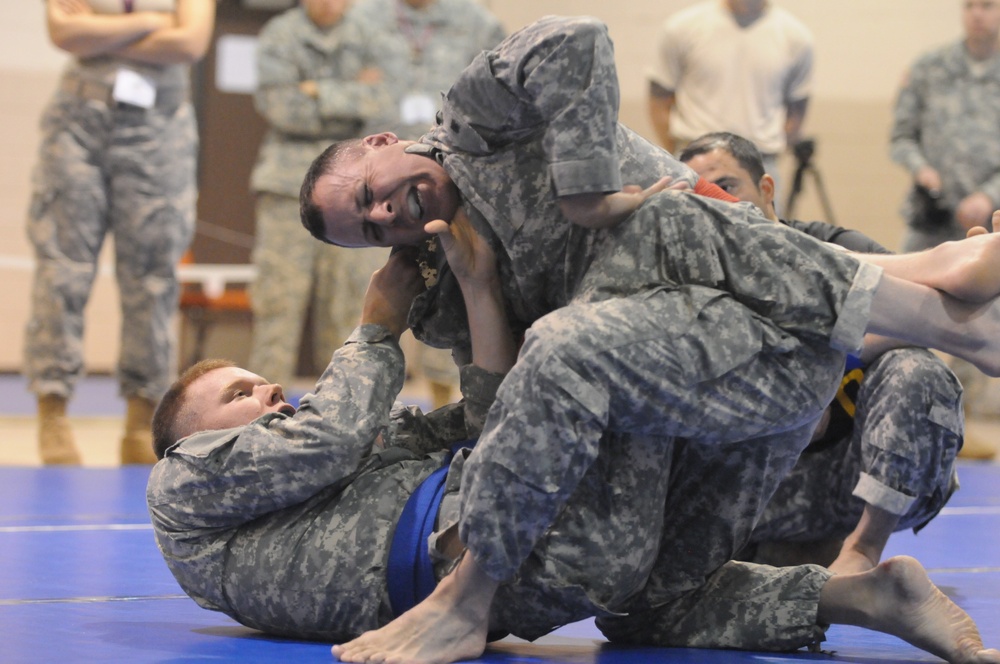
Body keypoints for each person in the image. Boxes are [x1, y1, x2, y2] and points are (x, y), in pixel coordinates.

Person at [149, 214, 1000, 664]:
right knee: (625, 303)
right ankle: (931, 298)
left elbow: (490, 420)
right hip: (535, 550)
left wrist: (482, 294)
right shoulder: (183, 493)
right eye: (235, 394)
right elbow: (329, 437)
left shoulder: (344, 476)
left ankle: (866, 596)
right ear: (188, 441)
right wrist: (375, 333)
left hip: (567, 551)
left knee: (651, 611)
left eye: (257, 381)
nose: (267, 389)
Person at [679, 131, 964, 573]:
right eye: (699, 194)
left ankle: (862, 549)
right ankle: (761, 551)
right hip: (752, 488)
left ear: (767, 190)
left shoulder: (836, 248)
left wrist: (827, 365)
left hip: (850, 475)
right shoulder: (689, 281)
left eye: (726, 186)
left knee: (916, 368)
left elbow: (928, 314)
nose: (714, 202)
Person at [26, 0, 215, 465]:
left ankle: (140, 417)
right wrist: (153, 21)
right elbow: (63, 33)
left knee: (151, 279)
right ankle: (53, 412)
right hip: (78, 123)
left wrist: (102, 28)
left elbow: (189, 41)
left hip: (159, 129)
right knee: (61, 271)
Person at [350, 0, 506, 408]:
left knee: (458, 287)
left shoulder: (477, 22)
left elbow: (500, 94)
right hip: (380, 189)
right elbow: (339, 91)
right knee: (388, 291)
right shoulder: (361, 19)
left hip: (455, 179)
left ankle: (448, 407)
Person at [247, 0, 390, 393]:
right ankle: (260, 416)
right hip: (286, 189)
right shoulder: (280, 34)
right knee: (278, 306)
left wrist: (316, 91)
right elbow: (282, 109)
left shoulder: (373, 33)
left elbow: (381, 102)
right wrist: (349, 95)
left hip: (356, 194)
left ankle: (343, 409)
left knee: (350, 309)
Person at [889, 0, 1000, 436]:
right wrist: (922, 169)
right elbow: (900, 136)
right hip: (930, 219)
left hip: (987, 222)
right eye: (971, 6)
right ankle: (911, 414)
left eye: (988, 6)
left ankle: (968, 428)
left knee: (984, 322)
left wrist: (987, 194)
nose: (979, 15)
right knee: (902, 309)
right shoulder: (931, 67)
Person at [646, 0, 813, 190]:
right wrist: (679, 155)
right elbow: (659, 102)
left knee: (763, 220)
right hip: (694, 164)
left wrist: (762, 160)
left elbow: (796, 113)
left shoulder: (796, 37)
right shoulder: (683, 28)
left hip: (761, 165)